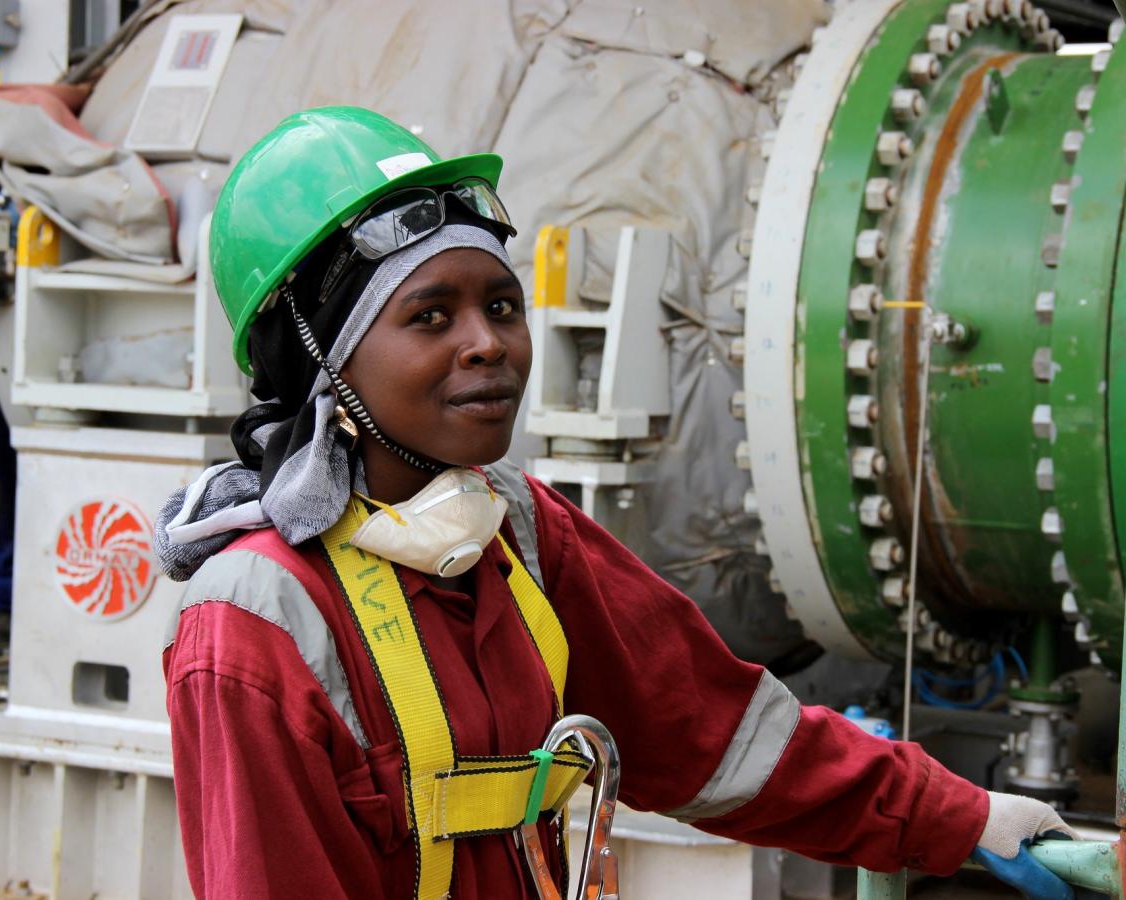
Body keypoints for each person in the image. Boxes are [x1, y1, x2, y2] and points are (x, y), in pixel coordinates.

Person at [156, 107, 1076, 900]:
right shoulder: (258, 621)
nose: (490, 346)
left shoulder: (515, 536)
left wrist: (962, 817)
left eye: (503, 306)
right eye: (430, 316)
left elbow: (718, 734)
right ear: (321, 359)